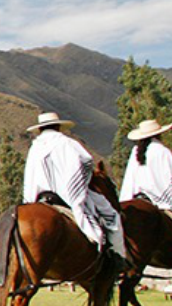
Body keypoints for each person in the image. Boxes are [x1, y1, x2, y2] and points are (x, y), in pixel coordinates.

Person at [22, 112, 128, 265]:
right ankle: (117, 256)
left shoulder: (35, 148)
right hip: (67, 195)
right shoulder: (67, 142)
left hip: (39, 197)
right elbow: (86, 162)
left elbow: (29, 177)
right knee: (111, 214)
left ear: (40, 129)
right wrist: (79, 181)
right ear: (58, 126)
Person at [120, 118, 172, 217]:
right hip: (164, 200)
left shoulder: (135, 151)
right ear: (158, 134)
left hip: (141, 196)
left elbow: (130, 178)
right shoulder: (162, 150)